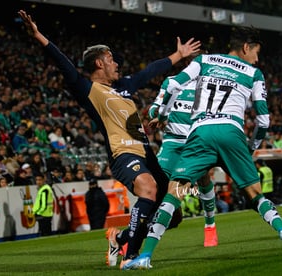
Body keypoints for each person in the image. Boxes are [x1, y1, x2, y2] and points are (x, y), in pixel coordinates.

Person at [18, 10, 200, 269]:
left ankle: (120, 238)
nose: (116, 63)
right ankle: (131, 256)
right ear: (99, 63)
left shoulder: (123, 88)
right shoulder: (88, 89)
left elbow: (148, 72)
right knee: (148, 188)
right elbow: (63, 64)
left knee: (173, 215)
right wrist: (38, 36)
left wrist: (178, 55)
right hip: (122, 154)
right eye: (111, 59)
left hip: (147, 155)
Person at [124, 26, 282, 270]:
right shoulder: (254, 72)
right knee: (255, 194)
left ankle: (145, 256)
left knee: (174, 193)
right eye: (256, 52)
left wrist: (160, 112)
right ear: (246, 47)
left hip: (200, 131)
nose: (257, 58)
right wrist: (251, 148)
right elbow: (264, 121)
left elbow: (171, 86)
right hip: (232, 131)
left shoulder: (203, 60)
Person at [148, 72, 219, 247]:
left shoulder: (211, 84)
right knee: (155, 185)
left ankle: (210, 225)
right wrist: (159, 113)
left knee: (203, 178)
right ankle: (136, 233)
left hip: (196, 141)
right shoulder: (172, 81)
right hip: (172, 142)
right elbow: (154, 108)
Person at [32, 172, 54, 236]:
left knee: (45, 234)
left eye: (40, 180)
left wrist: (37, 213)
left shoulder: (44, 190)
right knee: (47, 233)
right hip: (46, 214)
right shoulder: (44, 189)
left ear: (44, 180)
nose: (38, 182)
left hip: (44, 215)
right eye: (37, 180)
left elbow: (43, 204)